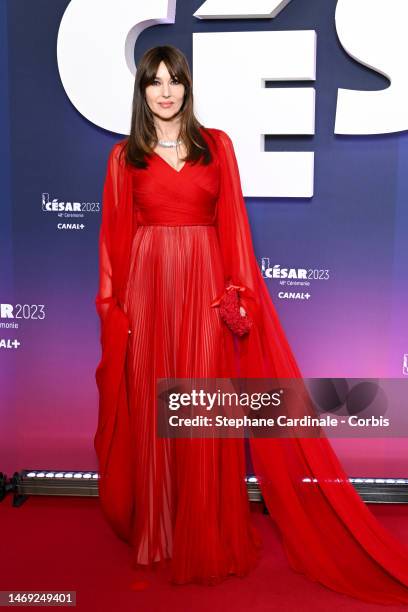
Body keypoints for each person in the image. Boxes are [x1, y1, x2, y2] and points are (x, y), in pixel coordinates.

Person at [94, 45, 408, 604]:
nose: (165, 91)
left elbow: (233, 224)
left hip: (203, 298)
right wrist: (116, 313)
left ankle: (205, 534)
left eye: (175, 81)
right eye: (154, 83)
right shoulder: (124, 158)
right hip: (145, 300)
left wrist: (238, 295)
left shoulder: (217, 147)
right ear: (141, 92)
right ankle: (159, 533)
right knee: (150, 414)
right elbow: (112, 248)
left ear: (188, 88)